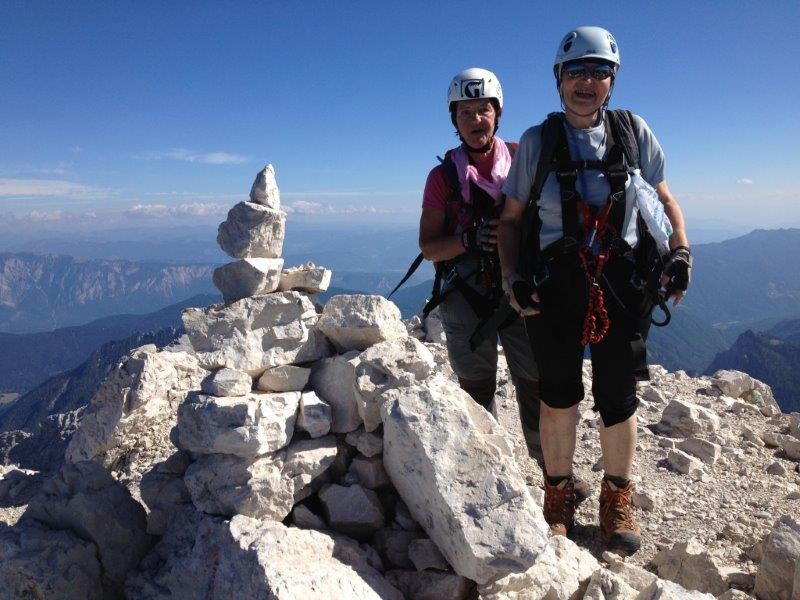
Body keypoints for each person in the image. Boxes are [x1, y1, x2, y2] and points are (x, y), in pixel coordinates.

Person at [498, 27, 691, 554]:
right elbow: (510, 221)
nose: (587, 81)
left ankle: (616, 498)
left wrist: (681, 250)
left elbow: (665, 199)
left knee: (618, 397)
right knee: (558, 395)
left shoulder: (633, 132)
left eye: (599, 71)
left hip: (620, 283)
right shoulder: (538, 142)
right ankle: (558, 497)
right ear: (558, 79)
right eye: (576, 71)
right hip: (555, 285)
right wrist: (512, 277)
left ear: (613, 80)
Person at [418, 67, 546, 465]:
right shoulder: (442, 178)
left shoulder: (523, 161)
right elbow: (429, 247)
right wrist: (468, 240)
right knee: (476, 391)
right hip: (466, 295)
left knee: (536, 384)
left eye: (483, 110)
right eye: (466, 112)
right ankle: (490, 473)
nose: (475, 120)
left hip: (519, 286)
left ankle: (550, 473)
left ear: (497, 113)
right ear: (455, 120)